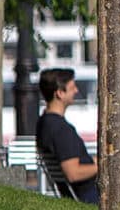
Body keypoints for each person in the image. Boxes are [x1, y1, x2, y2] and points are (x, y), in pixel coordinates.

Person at [37, 68, 97, 202]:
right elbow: (73, 173)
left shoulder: (46, 122)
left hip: (91, 189)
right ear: (59, 93)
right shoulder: (60, 130)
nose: (76, 90)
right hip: (92, 194)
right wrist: (106, 166)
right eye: (72, 87)